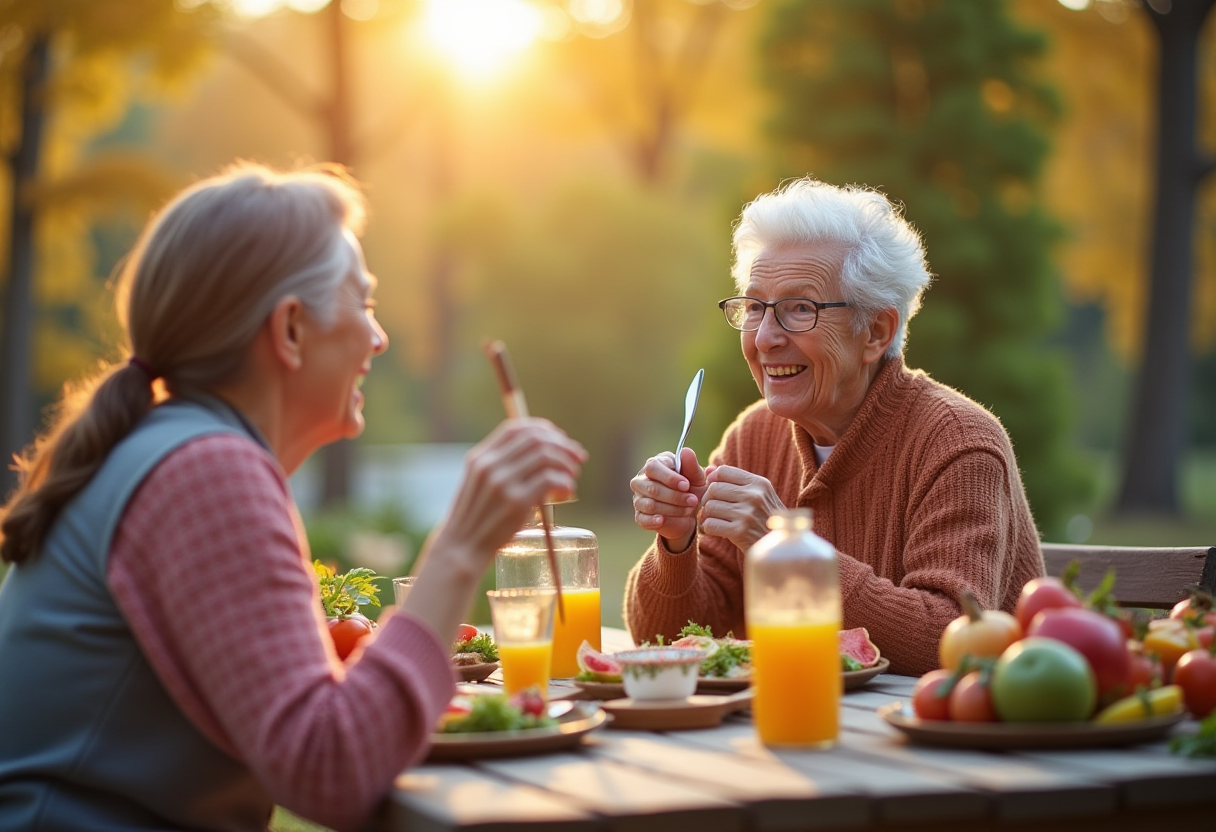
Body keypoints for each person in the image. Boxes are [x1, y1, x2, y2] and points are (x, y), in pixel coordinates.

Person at [0, 163, 586, 832]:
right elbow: (332, 771)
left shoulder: (172, 449)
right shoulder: (207, 470)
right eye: (363, 303)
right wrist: (459, 547)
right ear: (290, 331)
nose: (379, 337)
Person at [624, 177, 1043, 676]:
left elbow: (951, 638)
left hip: (941, 744)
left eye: (799, 309)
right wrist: (676, 542)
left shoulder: (960, 444)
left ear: (877, 332)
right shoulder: (752, 437)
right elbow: (663, 639)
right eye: (755, 307)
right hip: (790, 729)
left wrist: (788, 548)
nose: (765, 337)